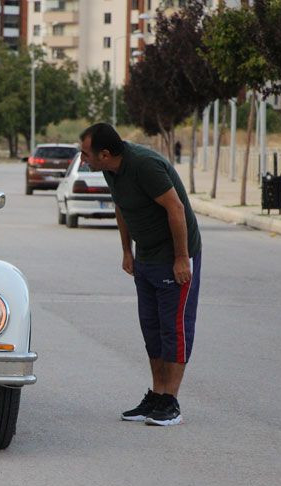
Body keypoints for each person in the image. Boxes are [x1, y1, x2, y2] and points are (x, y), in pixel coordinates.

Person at [79, 123, 202, 427]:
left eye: (85, 154)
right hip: (146, 256)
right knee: (151, 328)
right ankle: (157, 395)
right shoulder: (111, 171)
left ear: (104, 154)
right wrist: (126, 250)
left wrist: (181, 258)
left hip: (174, 257)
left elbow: (176, 209)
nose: (82, 159)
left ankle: (171, 402)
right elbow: (121, 208)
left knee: (174, 328)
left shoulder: (145, 165)